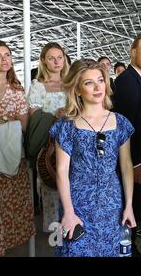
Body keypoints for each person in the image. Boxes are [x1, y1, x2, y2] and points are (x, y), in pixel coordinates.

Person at [50, 59, 136, 257]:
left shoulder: (121, 122)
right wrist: (69, 213)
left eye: (100, 80)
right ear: (78, 90)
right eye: (89, 83)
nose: (98, 87)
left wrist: (129, 205)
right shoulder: (67, 125)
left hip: (112, 204)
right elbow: (62, 171)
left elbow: (126, 166)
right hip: (77, 203)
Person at [0, 40, 35, 256]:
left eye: (8, 55)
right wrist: (6, 119)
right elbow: (13, 121)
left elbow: (23, 125)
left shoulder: (16, 89)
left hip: (13, 158)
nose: (5, 59)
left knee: (10, 207)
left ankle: (3, 247)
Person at [113, 35, 141, 256]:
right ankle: (125, 249)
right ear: (132, 52)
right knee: (130, 204)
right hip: (133, 160)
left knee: (138, 204)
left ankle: (129, 246)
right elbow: (125, 127)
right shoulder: (126, 82)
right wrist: (136, 163)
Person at [27, 42, 69, 231]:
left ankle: (71, 230)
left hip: (71, 145)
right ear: (43, 60)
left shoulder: (71, 83)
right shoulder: (37, 85)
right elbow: (33, 117)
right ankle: (55, 234)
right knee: (51, 186)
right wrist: (54, 116)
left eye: (59, 57)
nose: (56, 61)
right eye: (51, 58)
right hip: (48, 146)